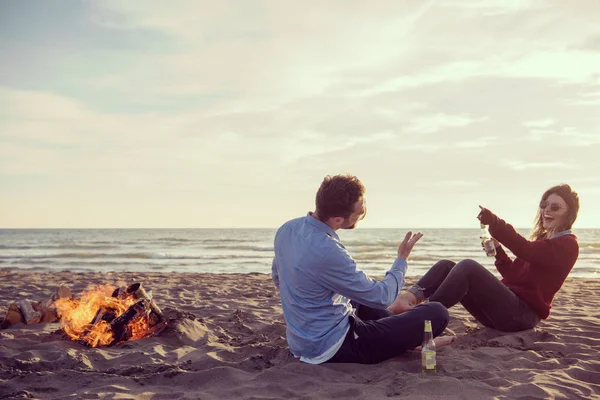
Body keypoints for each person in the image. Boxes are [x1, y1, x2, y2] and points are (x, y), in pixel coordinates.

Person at [271, 174, 450, 365]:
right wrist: (401, 259)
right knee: (437, 312)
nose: (363, 213)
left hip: (301, 340)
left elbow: (278, 276)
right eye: (360, 211)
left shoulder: (288, 229)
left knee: (356, 297)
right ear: (338, 220)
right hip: (334, 347)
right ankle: (410, 339)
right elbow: (382, 297)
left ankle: (399, 327)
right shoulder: (328, 250)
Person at [389, 184, 580, 332]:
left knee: (468, 267)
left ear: (569, 213)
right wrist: (498, 251)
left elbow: (525, 249)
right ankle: (408, 299)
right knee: (447, 266)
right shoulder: (543, 241)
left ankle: (418, 319)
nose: (547, 211)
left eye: (555, 207)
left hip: (521, 316)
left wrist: (495, 222)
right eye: (544, 204)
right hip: (500, 314)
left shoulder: (567, 245)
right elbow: (513, 275)